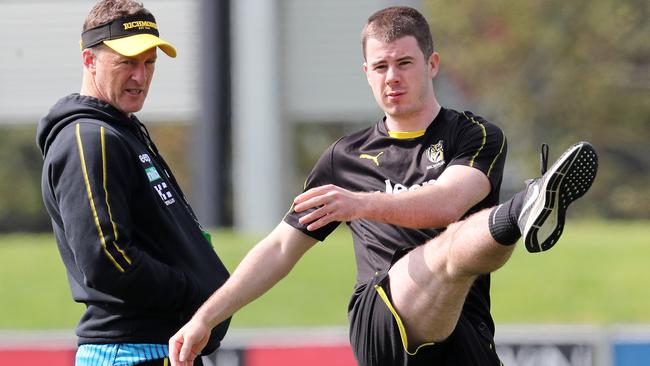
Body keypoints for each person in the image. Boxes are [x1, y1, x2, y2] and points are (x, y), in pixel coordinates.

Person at [169, 6, 598, 366]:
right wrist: (205, 318)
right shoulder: (343, 158)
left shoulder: (474, 135)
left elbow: (449, 202)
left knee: (463, 245)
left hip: (463, 329)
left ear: (432, 64)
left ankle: (522, 212)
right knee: (449, 251)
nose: (391, 76)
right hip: (382, 318)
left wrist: (359, 204)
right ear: (367, 73)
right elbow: (280, 247)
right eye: (380, 66)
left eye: (404, 63)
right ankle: (525, 205)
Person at [36, 1, 231, 365]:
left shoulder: (119, 130)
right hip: (131, 353)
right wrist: (196, 293)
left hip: (160, 349)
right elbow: (106, 258)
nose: (140, 77)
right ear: (89, 60)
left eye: (149, 62)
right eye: (126, 62)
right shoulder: (88, 137)